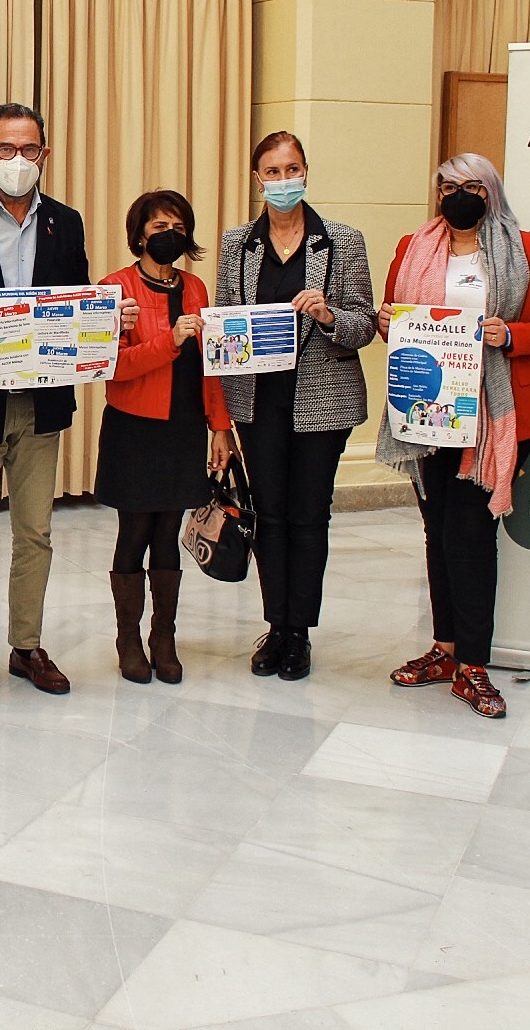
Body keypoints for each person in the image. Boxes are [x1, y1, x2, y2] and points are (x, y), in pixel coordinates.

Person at [0, 103, 135, 700]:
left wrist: (111, 317)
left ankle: (26, 644)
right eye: (6, 150)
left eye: (29, 150)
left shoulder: (65, 223)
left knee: (36, 532)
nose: (17, 161)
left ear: (45, 154)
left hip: (41, 404)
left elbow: (80, 304)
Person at [377, 153, 530, 720]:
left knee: (468, 532)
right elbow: (393, 315)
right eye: (447, 186)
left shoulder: (529, 250)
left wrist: (509, 333)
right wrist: (389, 321)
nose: (458, 195)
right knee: (437, 532)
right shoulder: (412, 247)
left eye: (471, 186)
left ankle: (474, 664)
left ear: (490, 191)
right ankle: (444, 650)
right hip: (428, 412)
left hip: (498, 416)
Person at [217, 131, 376, 682]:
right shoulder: (237, 244)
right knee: (270, 516)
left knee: (310, 516)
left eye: (293, 170)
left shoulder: (342, 241)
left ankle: (300, 632)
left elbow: (364, 327)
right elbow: (225, 327)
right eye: (273, 172)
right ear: (256, 179)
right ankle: (275, 625)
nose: (284, 182)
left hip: (321, 403)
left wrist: (330, 315)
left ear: (306, 171)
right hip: (257, 403)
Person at [97, 190, 236, 684]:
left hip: (183, 426)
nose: (169, 235)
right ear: (139, 234)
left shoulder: (196, 286)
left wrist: (220, 426)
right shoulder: (114, 288)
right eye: (159, 227)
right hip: (134, 427)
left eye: (177, 226)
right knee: (134, 532)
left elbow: (213, 365)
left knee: (167, 537)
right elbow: (113, 368)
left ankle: (164, 637)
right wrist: (170, 340)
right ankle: (129, 639)